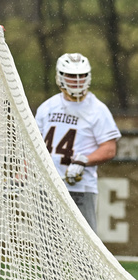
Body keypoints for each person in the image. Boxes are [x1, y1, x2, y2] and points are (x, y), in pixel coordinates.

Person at [35, 53, 121, 232]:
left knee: (87, 250)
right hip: (48, 186)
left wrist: (83, 160)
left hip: (80, 187)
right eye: (72, 76)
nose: (77, 81)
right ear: (60, 76)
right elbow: (34, 146)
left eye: (82, 75)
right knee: (47, 249)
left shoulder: (97, 109)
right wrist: (22, 175)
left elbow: (109, 148)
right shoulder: (47, 107)